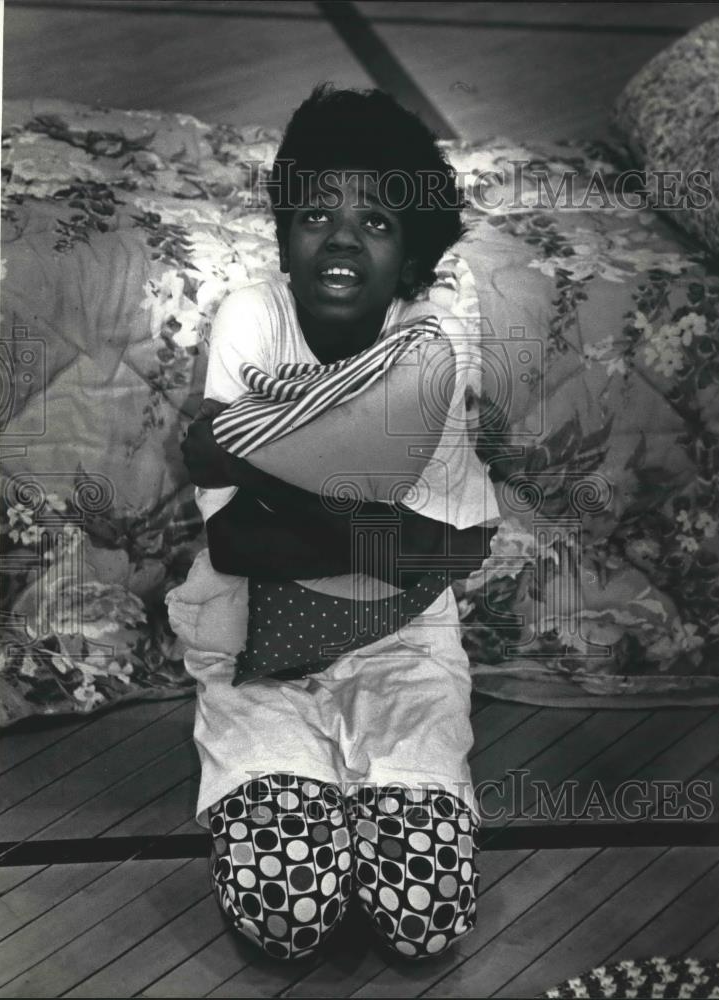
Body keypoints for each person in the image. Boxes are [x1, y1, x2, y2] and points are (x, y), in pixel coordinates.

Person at [166, 84, 501, 962]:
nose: (343, 237)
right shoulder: (253, 316)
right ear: (284, 232)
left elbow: (447, 555)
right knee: (290, 914)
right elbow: (240, 543)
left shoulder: (427, 343)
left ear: (411, 257)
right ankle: (312, 793)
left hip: (403, 642)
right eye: (316, 212)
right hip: (261, 636)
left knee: (427, 918)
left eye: (379, 223)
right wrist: (377, 523)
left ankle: (374, 793)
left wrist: (247, 463)